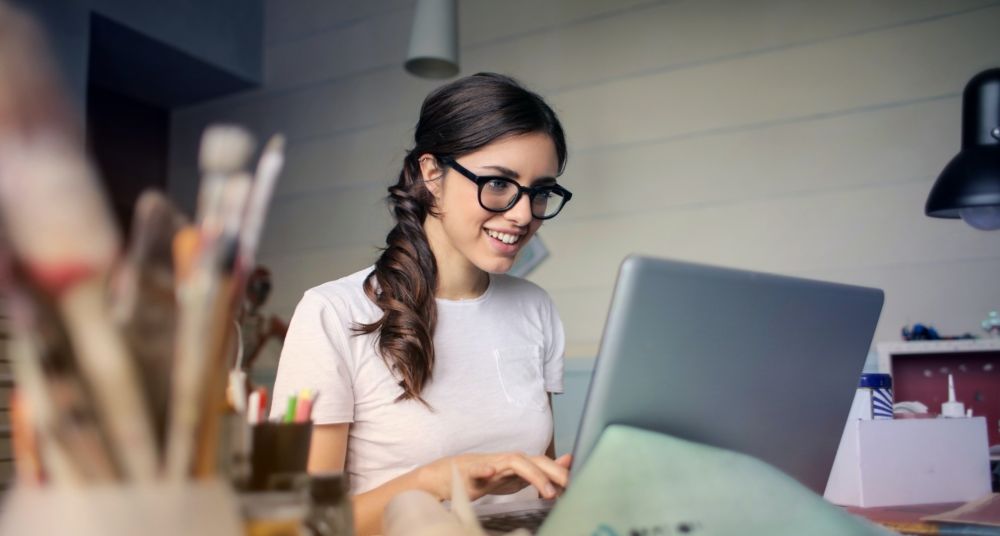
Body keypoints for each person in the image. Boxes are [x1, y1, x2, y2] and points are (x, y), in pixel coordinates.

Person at [270, 72, 574, 536]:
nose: (522, 214)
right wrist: (434, 482)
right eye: (498, 183)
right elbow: (302, 524)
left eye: (541, 192)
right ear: (432, 173)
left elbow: (542, 487)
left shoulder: (535, 307)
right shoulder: (332, 313)